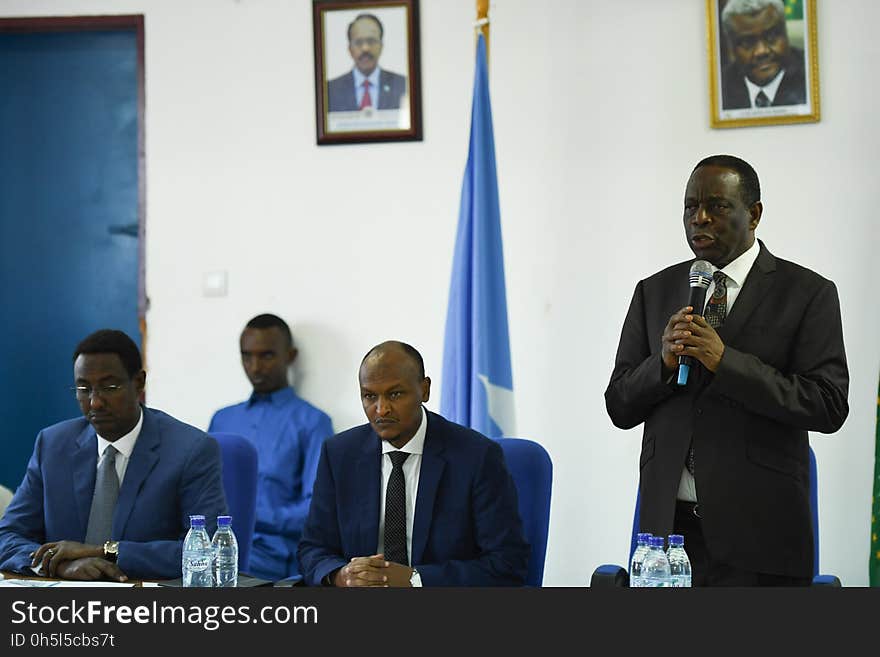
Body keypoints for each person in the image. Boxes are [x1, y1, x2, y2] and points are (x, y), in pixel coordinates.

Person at [604, 155, 849, 586]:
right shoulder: (654, 290)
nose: (699, 218)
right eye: (690, 206)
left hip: (762, 540)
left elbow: (828, 405)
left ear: (753, 214)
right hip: (668, 540)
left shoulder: (808, 293)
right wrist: (662, 364)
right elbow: (619, 405)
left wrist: (726, 362)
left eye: (717, 206)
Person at [0, 329, 227, 581]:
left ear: (139, 383)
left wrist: (103, 552)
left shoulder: (191, 450)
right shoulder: (53, 446)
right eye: (83, 388)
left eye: (109, 387)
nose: (95, 402)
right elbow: (7, 537)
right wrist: (61, 566)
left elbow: (209, 551)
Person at [297, 341, 529, 587]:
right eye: (369, 396)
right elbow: (312, 548)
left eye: (395, 394)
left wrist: (415, 580)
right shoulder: (340, 454)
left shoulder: (477, 457)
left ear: (424, 390)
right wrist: (340, 576)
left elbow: (507, 563)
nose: (381, 409)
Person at [209, 314, 332, 581]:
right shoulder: (223, 418)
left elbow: (316, 511)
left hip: (270, 552)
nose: (255, 367)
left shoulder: (313, 422)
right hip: (211, 544)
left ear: (290, 355)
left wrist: (249, 515)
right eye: (246, 356)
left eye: (266, 356)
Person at [719, 0, 807, 110]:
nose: (761, 51)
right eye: (747, 43)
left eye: (772, 37)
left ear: (786, 33)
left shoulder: (812, 74)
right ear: (731, 48)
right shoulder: (719, 88)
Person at [327, 13, 407, 112]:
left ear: (381, 47)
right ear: (350, 49)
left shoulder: (403, 85)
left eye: (371, 41)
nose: (365, 48)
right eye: (358, 42)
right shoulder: (330, 90)